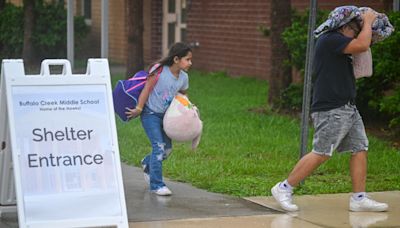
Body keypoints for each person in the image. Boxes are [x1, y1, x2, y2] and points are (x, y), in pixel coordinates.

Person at [271, 9, 389, 212]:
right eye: (355, 30)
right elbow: (362, 44)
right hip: (331, 108)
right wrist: (368, 21)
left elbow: (362, 48)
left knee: (360, 148)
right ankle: (284, 188)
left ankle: (359, 198)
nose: (357, 34)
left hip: (347, 107)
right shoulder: (330, 39)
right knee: (322, 152)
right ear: (345, 27)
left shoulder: (340, 42)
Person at [125, 42, 193, 196]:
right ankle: (156, 185)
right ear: (176, 59)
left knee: (167, 150)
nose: (190, 63)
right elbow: (147, 89)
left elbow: (183, 95)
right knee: (159, 147)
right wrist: (139, 109)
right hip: (150, 114)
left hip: (166, 117)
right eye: (187, 59)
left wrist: (186, 109)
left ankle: (147, 162)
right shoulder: (159, 71)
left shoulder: (184, 78)